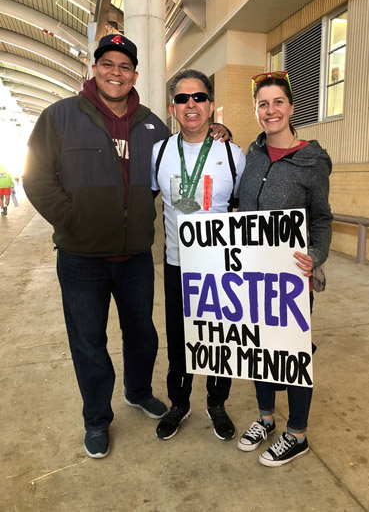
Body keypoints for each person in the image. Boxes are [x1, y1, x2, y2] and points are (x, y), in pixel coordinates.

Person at [23, 34, 229, 459]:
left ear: (135, 74)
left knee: (142, 335)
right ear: (94, 68)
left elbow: (185, 155)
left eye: (124, 66)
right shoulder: (60, 116)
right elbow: (37, 177)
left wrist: (220, 130)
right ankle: (97, 419)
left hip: (135, 255)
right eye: (107, 63)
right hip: (82, 258)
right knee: (88, 342)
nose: (115, 72)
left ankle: (138, 392)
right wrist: (72, 220)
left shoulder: (153, 125)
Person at [236, 71, 332, 466]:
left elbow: (323, 218)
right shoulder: (252, 154)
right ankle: (265, 418)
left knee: (293, 353)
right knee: (259, 347)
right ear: (256, 111)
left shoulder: (312, 159)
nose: (270, 110)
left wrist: (316, 255)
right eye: (263, 104)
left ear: (291, 108)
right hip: (252, 275)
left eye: (278, 102)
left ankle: (297, 433)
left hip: (292, 278)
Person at [151, 69, 246, 441]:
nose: (191, 104)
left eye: (199, 97)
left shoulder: (232, 153)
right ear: (172, 107)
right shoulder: (160, 153)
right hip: (177, 266)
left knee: (219, 339)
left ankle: (217, 403)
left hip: (220, 268)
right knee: (179, 338)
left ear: (211, 106)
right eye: (182, 98)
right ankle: (179, 402)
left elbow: (248, 210)